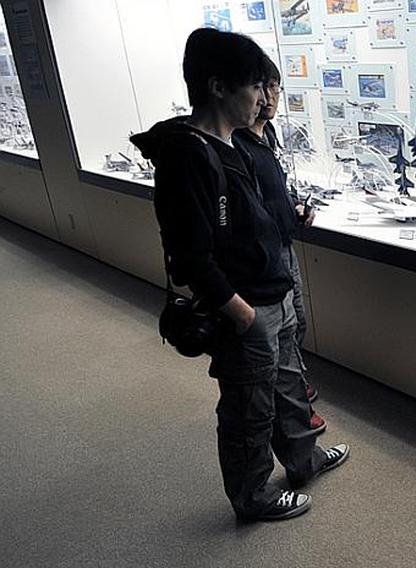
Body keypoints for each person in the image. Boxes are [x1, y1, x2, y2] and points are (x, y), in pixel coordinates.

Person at [131, 28, 349, 522]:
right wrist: (241, 312)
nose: (263, 98)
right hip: (246, 307)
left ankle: (303, 460)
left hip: (275, 292)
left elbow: (252, 218)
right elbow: (189, 255)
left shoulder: (236, 144)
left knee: (289, 387)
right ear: (217, 87)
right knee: (249, 410)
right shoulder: (189, 155)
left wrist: (289, 222)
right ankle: (253, 498)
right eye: (254, 86)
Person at [231, 55, 325, 433]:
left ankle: (294, 391)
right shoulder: (236, 143)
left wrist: (295, 208)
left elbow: (273, 193)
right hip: (263, 260)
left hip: (284, 248)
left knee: (296, 322)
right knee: (271, 346)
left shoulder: (266, 135)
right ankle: (290, 405)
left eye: (275, 87)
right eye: (261, 87)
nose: (269, 97)